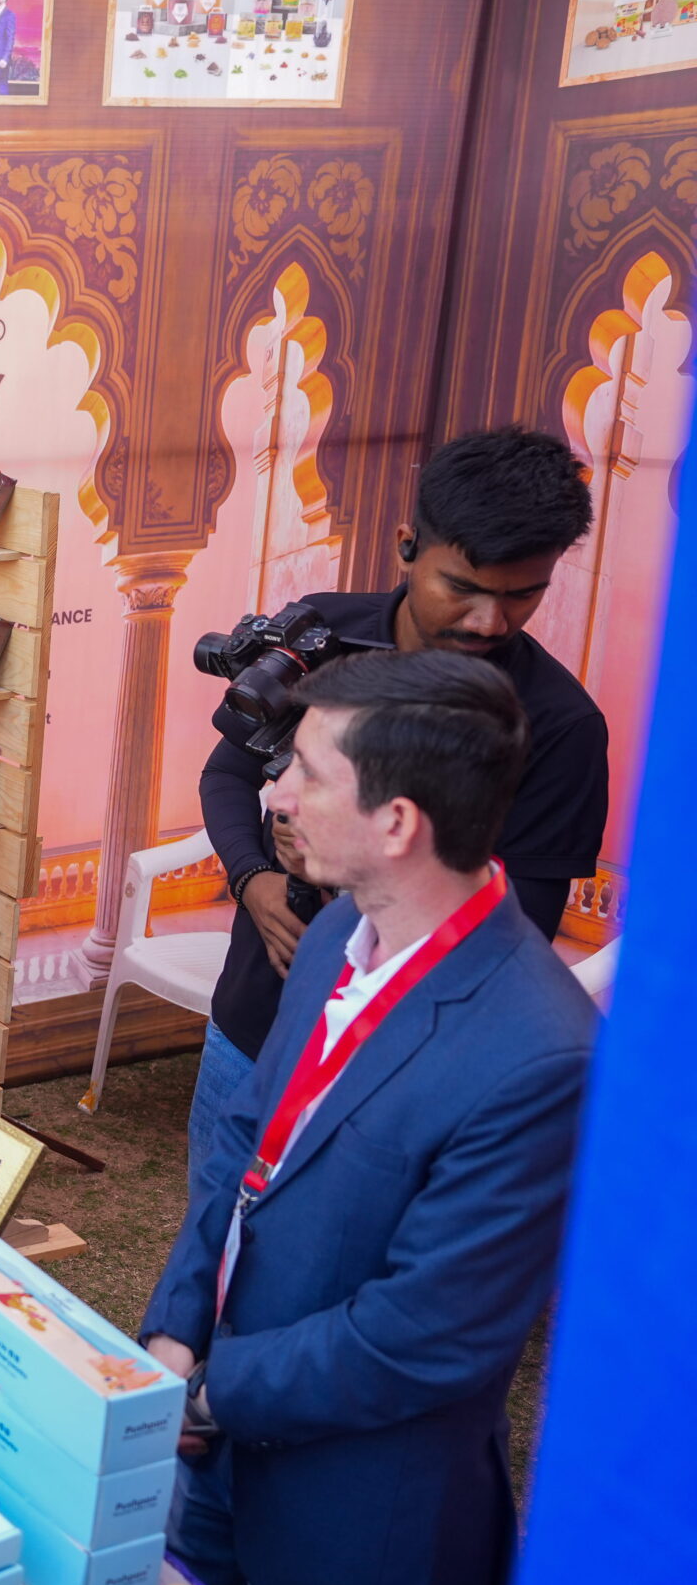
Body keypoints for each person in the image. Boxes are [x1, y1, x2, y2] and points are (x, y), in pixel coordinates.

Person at [142, 651, 597, 1585]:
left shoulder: (538, 1056)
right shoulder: (337, 929)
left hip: (344, 1526)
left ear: (396, 824)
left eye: (306, 772)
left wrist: (210, 1396)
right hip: (211, 1450)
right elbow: (240, 1158)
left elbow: (419, 1338)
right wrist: (172, 1336)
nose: (277, 795)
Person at [187, 428, 606, 1197]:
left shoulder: (561, 725)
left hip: (397, 1066)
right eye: (464, 587)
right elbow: (225, 775)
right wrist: (255, 880)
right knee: (213, 1239)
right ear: (407, 546)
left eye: (522, 594)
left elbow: (524, 920)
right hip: (254, 1023)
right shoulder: (315, 639)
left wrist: (350, 873)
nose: (489, 621)